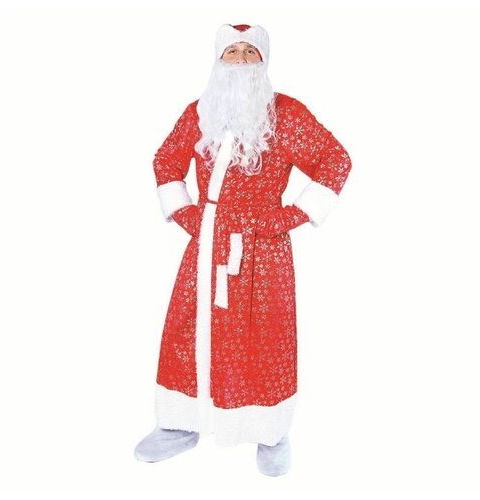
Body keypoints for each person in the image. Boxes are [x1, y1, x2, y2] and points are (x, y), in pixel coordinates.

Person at [134, 23, 352, 477]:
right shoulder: (200, 112)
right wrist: (186, 213)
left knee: (265, 336)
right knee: (188, 331)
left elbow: (336, 159)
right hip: (207, 245)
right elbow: (166, 160)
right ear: (217, 60)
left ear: (263, 61)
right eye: (230, 51)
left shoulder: (286, 114)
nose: (239, 59)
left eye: (249, 51)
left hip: (263, 248)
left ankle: (269, 430)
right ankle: (180, 423)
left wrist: (290, 216)